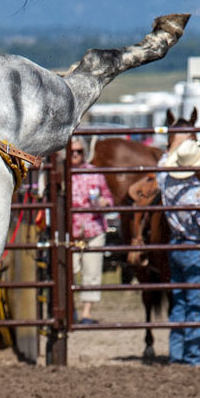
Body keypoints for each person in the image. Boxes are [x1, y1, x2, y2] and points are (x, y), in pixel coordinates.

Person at [159, 138, 200, 366]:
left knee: (180, 301)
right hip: (193, 247)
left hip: (175, 245)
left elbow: (162, 168)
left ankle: (176, 354)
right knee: (196, 302)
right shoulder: (198, 192)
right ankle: (192, 356)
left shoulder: (168, 185)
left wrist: (173, 146)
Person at [69, 136, 114, 324]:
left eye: (79, 151)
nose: (76, 155)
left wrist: (104, 202)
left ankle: (86, 313)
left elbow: (108, 198)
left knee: (92, 271)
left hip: (94, 228)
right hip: (69, 230)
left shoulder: (95, 173)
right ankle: (69, 309)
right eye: (72, 151)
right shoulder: (62, 172)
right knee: (68, 270)